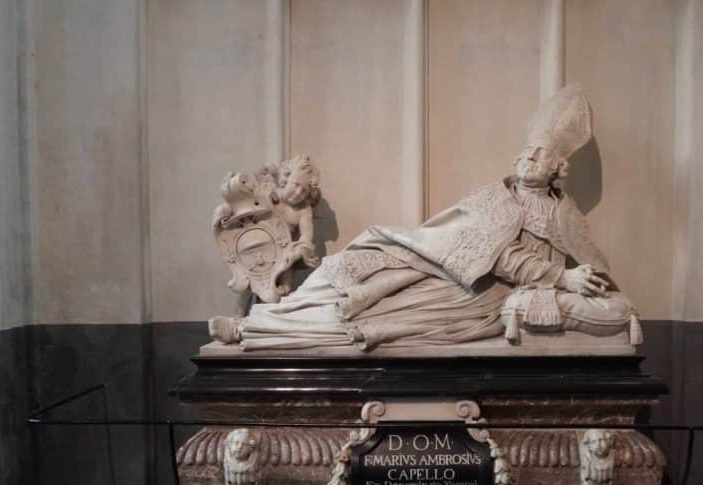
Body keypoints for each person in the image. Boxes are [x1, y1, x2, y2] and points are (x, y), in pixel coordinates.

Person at [210, 82, 638, 352]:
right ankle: (263, 318)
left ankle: (258, 333)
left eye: (540, 155)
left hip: (475, 293)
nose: (528, 159)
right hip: (441, 263)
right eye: (526, 152)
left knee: (371, 311)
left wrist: (571, 279)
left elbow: (584, 272)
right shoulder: (492, 194)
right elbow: (463, 239)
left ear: (558, 169)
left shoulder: (565, 217)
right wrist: (560, 277)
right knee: (348, 263)